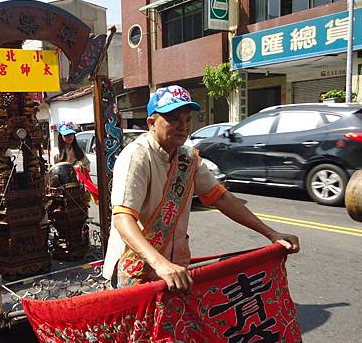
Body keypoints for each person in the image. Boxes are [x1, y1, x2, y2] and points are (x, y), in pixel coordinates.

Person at [104, 85, 300, 290]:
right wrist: (159, 262)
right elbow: (122, 217)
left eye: (187, 119)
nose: (183, 126)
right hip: (136, 269)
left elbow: (221, 198)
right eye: (174, 119)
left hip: (175, 270)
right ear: (152, 123)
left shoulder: (187, 159)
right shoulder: (136, 156)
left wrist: (272, 234)